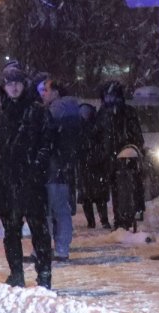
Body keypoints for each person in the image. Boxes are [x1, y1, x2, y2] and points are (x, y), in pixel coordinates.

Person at [0, 61, 55, 289]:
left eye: (18, 83)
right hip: (7, 184)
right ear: (4, 88)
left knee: (39, 230)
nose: (14, 88)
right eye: (10, 84)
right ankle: (16, 273)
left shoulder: (37, 112)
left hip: (32, 183)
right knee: (11, 232)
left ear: (24, 85)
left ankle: (44, 275)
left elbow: (47, 143)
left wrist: (36, 166)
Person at [89, 80, 145, 231]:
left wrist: (129, 151)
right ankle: (120, 220)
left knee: (124, 190)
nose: (110, 99)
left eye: (112, 95)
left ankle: (124, 220)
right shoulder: (103, 114)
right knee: (114, 190)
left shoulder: (126, 113)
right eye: (107, 96)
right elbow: (96, 136)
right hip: (109, 159)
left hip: (125, 158)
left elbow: (137, 137)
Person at [40, 77, 84, 260]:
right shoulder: (73, 112)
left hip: (52, 167)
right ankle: (61, 248)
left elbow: (47, 138)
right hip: (64, 168)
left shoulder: (55, 112)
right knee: (61, 208)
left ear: (56, 93)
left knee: (49, 209)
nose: (43, 94)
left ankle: (50, 248)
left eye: (46, 90)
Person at [75, 101, 109, 229]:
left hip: (94, 164)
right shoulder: (82, 127)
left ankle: (101, 221)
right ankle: (93, 221)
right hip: (88, 165)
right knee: (88, 196)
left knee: (96, 195)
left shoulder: (95, 126)